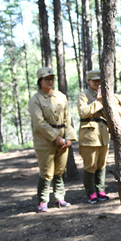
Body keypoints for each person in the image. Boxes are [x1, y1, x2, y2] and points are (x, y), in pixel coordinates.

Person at [28, 67, 77, 212]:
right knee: (46, 171)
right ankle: (43, 200)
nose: (50, 81)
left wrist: (69, 137)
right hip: (44, 140)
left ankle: (59, 198)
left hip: (63, 137)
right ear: (40, 81)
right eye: (46, 79)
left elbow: (68, 118)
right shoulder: (35, 100)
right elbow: (39, 122)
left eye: (51, 79)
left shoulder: (61, 96)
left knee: (60, 170)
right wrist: (55, 137)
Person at [78, 70, 111, 203]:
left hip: (103, 133)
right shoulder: (84, 95)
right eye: (94, 81)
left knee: (101, 164)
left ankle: (101, 189)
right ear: (88, 81)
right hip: (89, 135)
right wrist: (98, 102)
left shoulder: (104, 94)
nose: (97, 83)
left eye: (99, 81)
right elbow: (83, 112)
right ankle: (91, 192)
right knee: (90, 165)